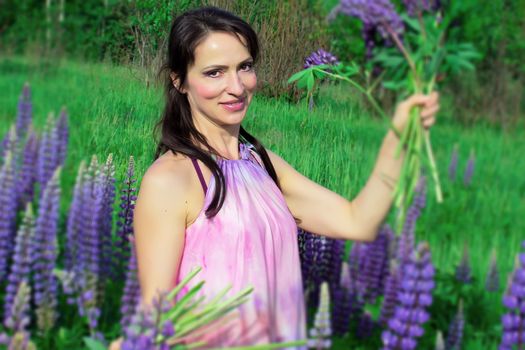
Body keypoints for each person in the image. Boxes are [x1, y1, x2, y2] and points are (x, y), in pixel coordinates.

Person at [110, 5, 439, 350]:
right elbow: (154, 317)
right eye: (214, 73)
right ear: (179, 81)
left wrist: (398, 139)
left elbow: (358, 221)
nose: (236, 86)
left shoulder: (262, 165)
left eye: (245, 67)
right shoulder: (170, 180)